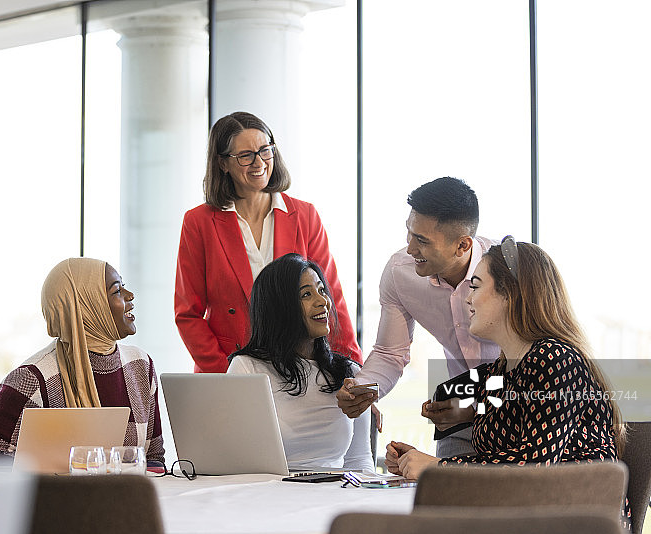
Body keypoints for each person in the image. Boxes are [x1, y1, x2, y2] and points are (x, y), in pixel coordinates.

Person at [384, 237, 630, 528]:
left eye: (475, 286)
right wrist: (415, 459)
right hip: (525, 519)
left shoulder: (553, 358)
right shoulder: (501, 371)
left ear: (510, 294)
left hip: (575, 522)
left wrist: (439, 468)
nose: (467, 298)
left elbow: (533, 468)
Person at [175, 111, 361, 373]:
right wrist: (228, 372)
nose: (259, 162)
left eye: (265, 150)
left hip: (301, 366)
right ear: (223, 163)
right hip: (229, 366)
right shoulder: (199, 222)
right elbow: (188, 313)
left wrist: (354, 370)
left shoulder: (304, 216)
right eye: (245, 155)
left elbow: (331, 297)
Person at [336, 177, 499, 457]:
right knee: (444, 496)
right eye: (410, 234)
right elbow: (390, 353)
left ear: (462, 246)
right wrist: (363, 389)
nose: (410, 249)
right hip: (459, 413)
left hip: (520, 409)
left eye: (421, 241)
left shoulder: (511, 271)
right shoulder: (400, 273)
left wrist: (476, 407)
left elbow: (539, 363)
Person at [0, 258, 164, 468]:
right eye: (116, 291)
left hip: (123, 499)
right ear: (87, 306)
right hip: (58, 500)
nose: (130, 295)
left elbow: (154, 458)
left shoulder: (141, 366)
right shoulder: (32, 378)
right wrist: (46, 467)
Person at [227, 253, 374, 472]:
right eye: (306, 294)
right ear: (279, 307)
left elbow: (360, 460)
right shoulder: (247, 369)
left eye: (322, 290)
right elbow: (232, 457)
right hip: (269, 496)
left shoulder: (349, 373)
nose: (323, 301)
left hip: (335, 497)